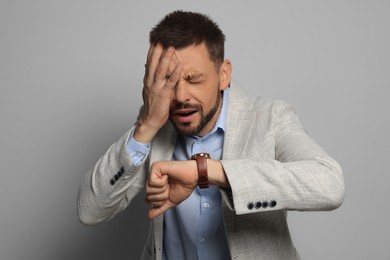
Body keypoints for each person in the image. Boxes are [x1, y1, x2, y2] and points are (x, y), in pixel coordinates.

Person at [78, 10, 345, 260]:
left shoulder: (270, 117)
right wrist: (146, 126)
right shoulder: (155, 124)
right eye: (169, 81)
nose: (181, 96)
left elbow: (330, 184)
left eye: (194, 79)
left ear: (223, 74)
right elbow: (90, 211)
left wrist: (206, 172)